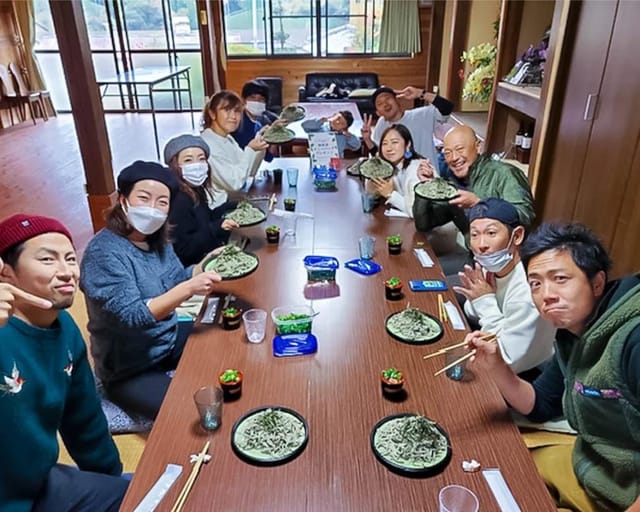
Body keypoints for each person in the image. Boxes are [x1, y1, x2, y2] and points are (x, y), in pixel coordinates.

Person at [468, 222, 640, 512]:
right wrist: (496, 363)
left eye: (560, 278)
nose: (546, 295)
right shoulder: (573, 334)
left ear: (597, 283)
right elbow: (539, 403)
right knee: (497, 467)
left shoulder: (632, 340)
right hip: (592, 466)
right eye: (535, 283)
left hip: (624, 492)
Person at [0, 214, 128, 512]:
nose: (67, 271)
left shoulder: (65, 327)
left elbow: (83, 416)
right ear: (6, 273)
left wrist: (111, 479)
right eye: (47, 260)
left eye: (70, 258)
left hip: (41, 482)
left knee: (142, 495)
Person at [80, 161, 222, 419]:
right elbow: (134, 315)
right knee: (193, 412)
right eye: (144, 198)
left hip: (166, 338)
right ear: (123, 200)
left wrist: (202, 267)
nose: (153, 209)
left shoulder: (158, 240)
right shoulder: (103, 252)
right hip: (129, 365)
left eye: (162, 203)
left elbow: (176, 278)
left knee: (226, 343)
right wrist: (190, 287)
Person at [453, 198, 555, 376]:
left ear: (516, 236)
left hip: (525, 372)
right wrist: (480, 298)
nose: (481, 245)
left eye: (491, 233)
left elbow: (507, 360)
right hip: (490, 343)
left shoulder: (530, 290)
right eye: (475, 234)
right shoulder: (493, 267)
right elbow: (473, 312)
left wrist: (484, 301)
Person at [413, 125, 535, 235]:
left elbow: (525, 217)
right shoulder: (452, 182)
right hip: (474, 256)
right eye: (448, 153)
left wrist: (478, 203)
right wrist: (426, 186)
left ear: (477, 147)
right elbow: (424, 225)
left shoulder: (505, 174)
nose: (454, 158)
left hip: (507, 257)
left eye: (460, 149)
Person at [163, 134, 239, 266]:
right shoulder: (178, 199)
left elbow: (205, 219)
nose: (196, 165)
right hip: (194, 268)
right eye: (188, 160)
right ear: (174, 165)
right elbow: (183, 250)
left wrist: (229, 207)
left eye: (201, 159)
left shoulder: (194, 188)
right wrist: (216, 228)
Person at [201, 90, 269, 208]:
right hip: (218, 209)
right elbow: (235, 183)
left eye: (237, 111)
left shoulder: (227, 138)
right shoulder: (207, 143)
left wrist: (262, 142)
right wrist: (250, 149)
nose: (233, 116)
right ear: (212, 114)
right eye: (227, 110)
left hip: (233, 199)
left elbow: (248, 172)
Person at [361, 85, 453, 169]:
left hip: (427, 177)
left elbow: (447, 107)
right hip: (398, 181)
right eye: (380, 104)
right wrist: (367, 139)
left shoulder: (422, 115)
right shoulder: (382, 124)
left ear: (397, 100)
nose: (385, 104)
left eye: (388, 98)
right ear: (378, 113)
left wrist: (420, 93)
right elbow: (380, 156)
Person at [364, 124, 435, 217]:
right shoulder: (393, 166)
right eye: (384, 144)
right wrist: (374, 171)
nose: (389, 148)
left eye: (394, 142)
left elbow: (418, 212)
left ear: (408, 144)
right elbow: (371, 192)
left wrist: (390, 194)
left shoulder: (416, 170)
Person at [231, 80, 278, 163]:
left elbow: (268, 158)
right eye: (253, 98)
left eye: (261, 99)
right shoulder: (237, 124)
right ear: (243, 100)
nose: (257, 102)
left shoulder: (259, 125)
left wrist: (274, 135)